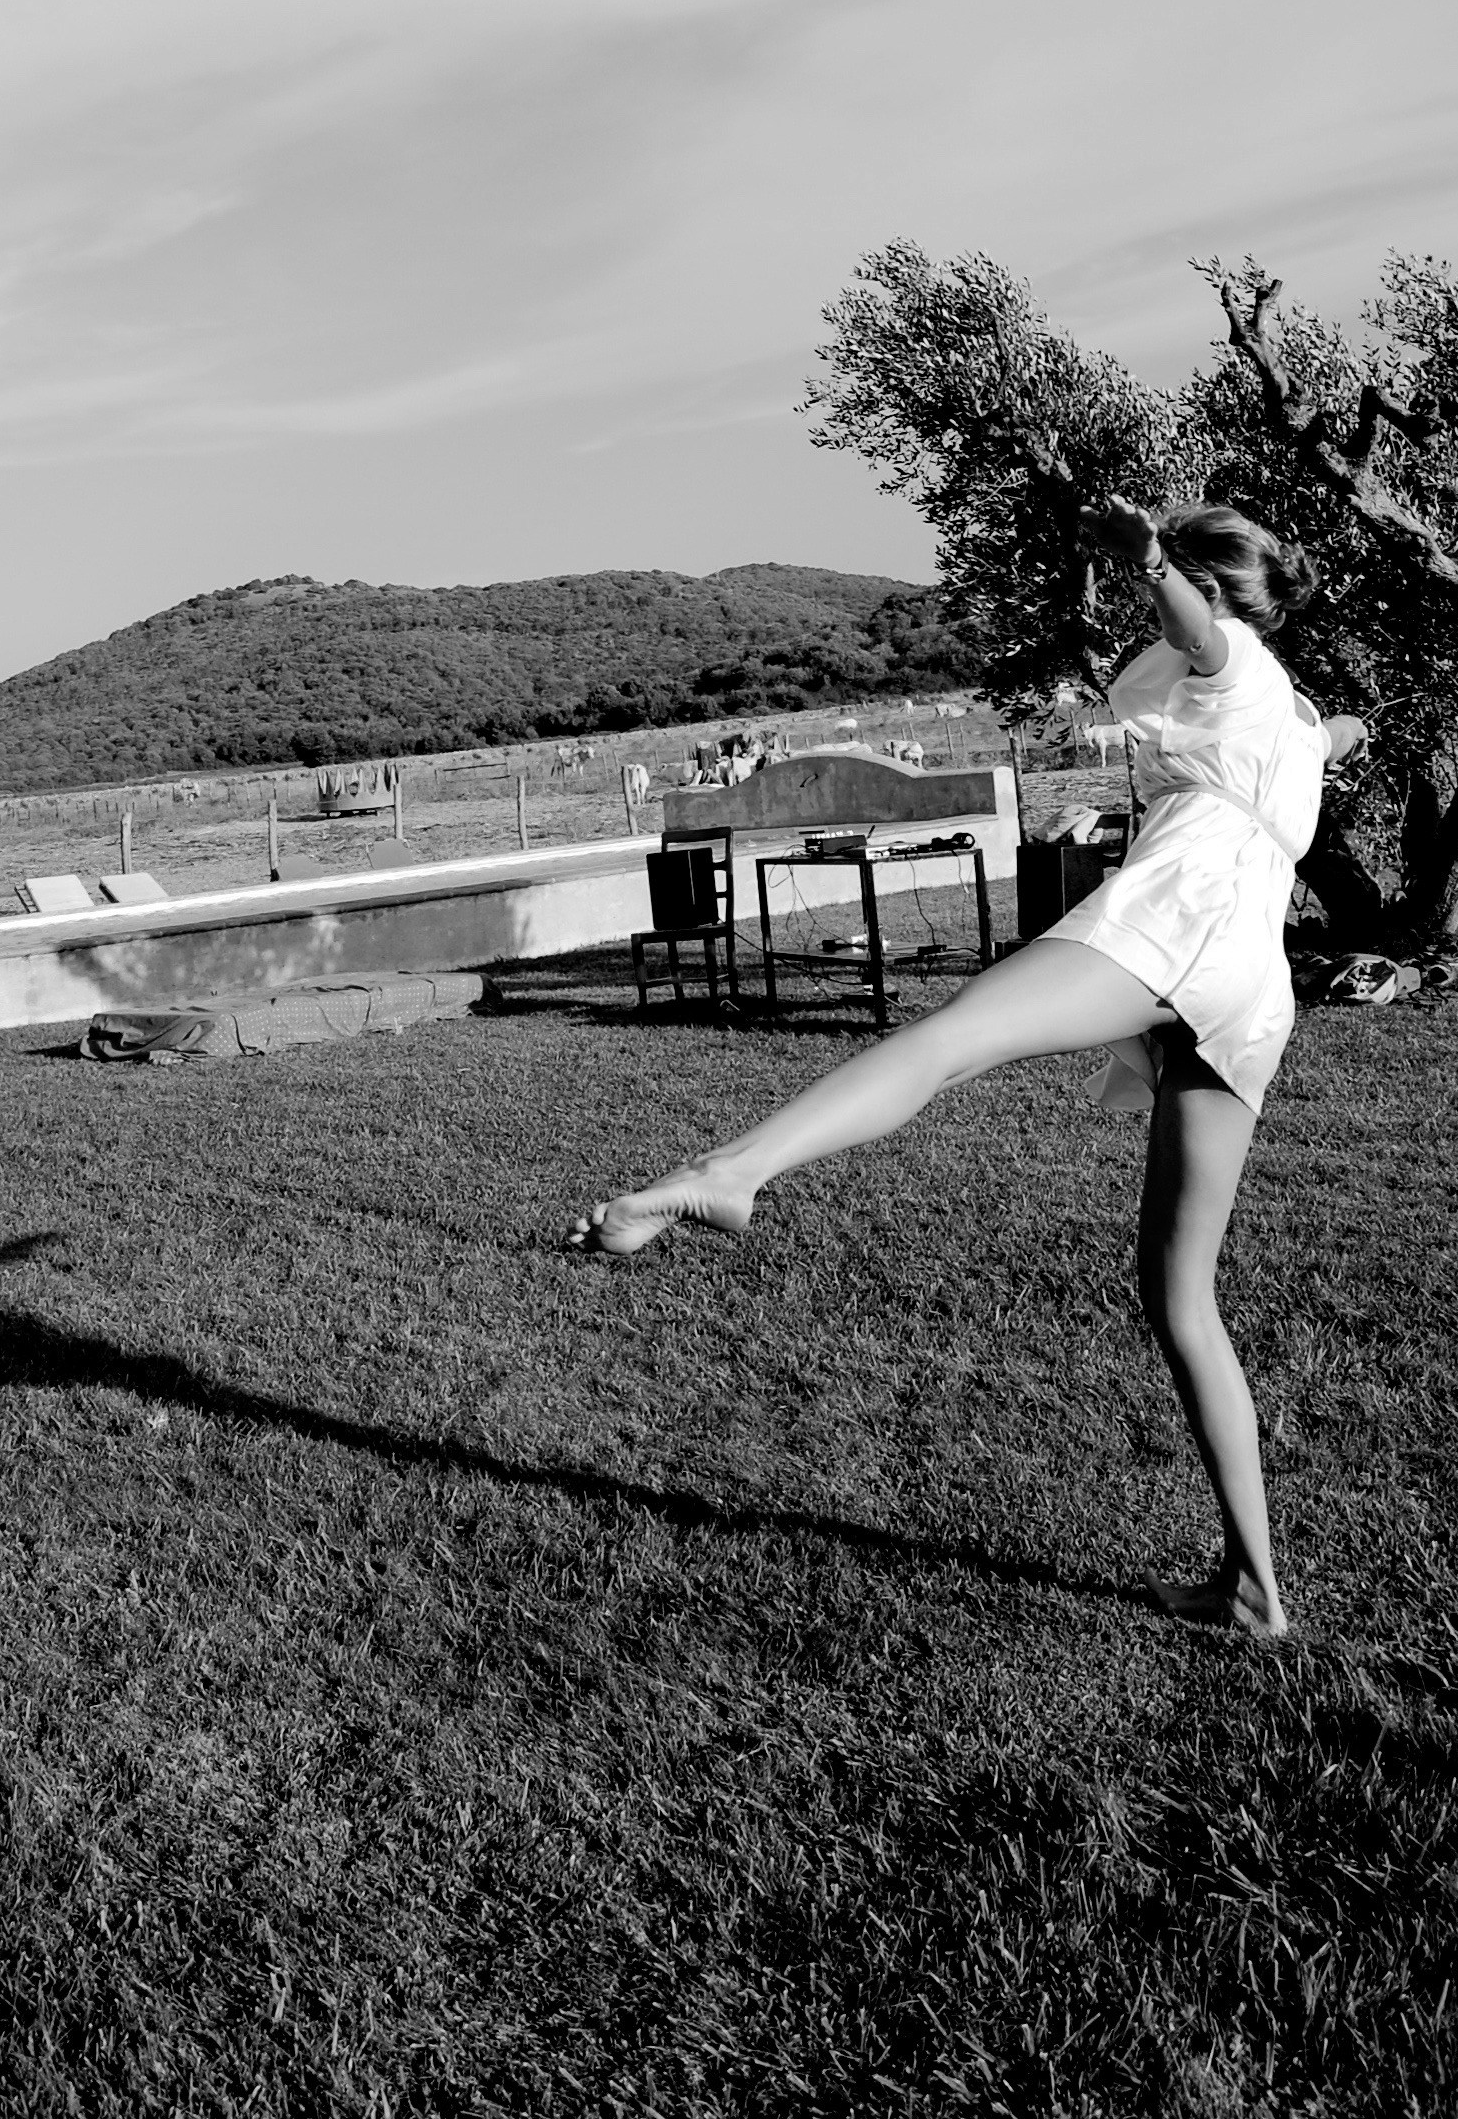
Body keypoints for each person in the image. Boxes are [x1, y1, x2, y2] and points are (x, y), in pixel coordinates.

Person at [568, 497, 1369, 1642]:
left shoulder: (1227, 655)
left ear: (1204, 586)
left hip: (1179, 919)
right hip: (1252, 985)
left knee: (944, 1041)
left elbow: (1198, 632)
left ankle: (729, 1172)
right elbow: (1324, 733)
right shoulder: (1285, 713)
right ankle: (1253, 1589)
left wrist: (1148, 561)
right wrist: (1343, 732)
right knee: (1178, 1295)